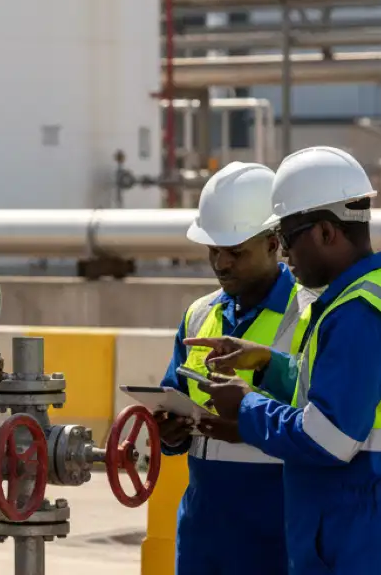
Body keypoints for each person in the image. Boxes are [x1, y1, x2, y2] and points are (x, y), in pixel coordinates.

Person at [190, 146, 381, 575]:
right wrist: (267, 364)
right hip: (362, 519)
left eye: (286, 239)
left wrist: (246, 406)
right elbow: (340, 393)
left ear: (324, 232)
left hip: (354, 529)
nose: (284, 255)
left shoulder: (357, 313)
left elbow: (329, 438)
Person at [157, 161, 312, 575]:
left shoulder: (311, 315)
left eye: (236, 252)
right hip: (204, 531)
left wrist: (248, 417)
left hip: (279, 531)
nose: (221, 264)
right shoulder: (199, 314)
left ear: (273, 243)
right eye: (213, 250)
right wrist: (168, 433)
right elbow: (173, 396)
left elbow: (325, 419)